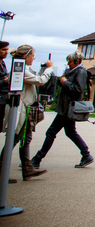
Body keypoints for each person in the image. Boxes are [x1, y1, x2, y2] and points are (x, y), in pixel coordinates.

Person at [31, 51, 93, 169]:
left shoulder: (81, 72)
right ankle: (86, 155)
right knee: (70, 132)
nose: (68, 64)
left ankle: (37, 159)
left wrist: (65, 82)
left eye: (69, 61)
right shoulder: (73, 71)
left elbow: (78, 89)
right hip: (66, 107)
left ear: (76, 61)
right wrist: (61, 81)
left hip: (67, 108)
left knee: (51, 132)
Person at [0, 45, 52, 181]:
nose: (34, 58)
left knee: (25, 139)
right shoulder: (21, 69)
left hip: (26, 108)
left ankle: (27, 168)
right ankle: (1, 171)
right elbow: (40, 80)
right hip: (20, 109)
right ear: (26, 56)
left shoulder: (24, 69)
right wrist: (49, 69)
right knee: (14, 139)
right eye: (33, 55)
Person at [0, 41, 10, 130]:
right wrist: (5, 80)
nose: (6, 52)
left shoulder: (2, 63)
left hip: (3, 98)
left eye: (7, 50)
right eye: (3, 50)